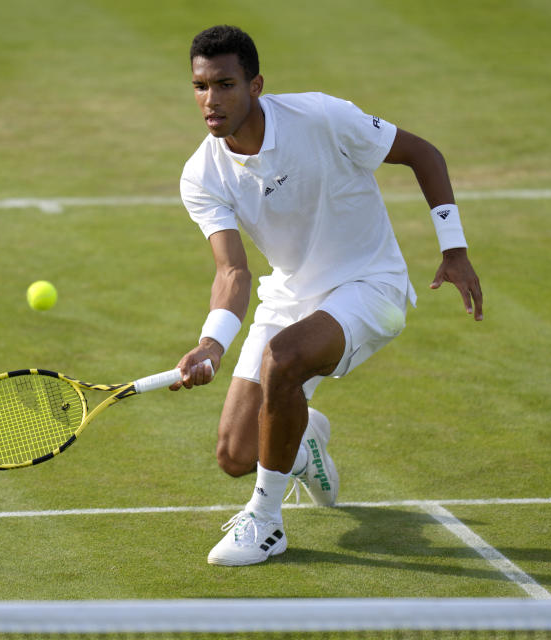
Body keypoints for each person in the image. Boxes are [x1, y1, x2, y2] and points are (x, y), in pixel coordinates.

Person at [171, 25, 483, 566]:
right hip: (291, 297)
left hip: (370, 285)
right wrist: (212, 343)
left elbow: (423, 154)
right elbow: (233, 273)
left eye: (224, 85)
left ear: (256, 86)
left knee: (283, 358)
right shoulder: (202, 174)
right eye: (200, 87)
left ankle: (266, 523)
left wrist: (453, 249)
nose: (211, 101)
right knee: (235, 454)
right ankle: (304, 436)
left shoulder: (321, 117)